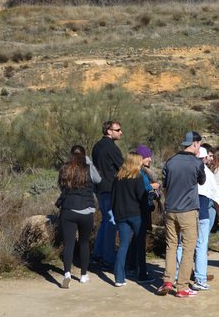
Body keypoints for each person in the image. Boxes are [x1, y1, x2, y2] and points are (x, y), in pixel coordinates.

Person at [158, 131, 206, 298]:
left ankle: (168, 281)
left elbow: (164, 187)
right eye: (199, 144)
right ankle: (182, 286)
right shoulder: (196, 162)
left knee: (171, 245)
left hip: (171, 210)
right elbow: (202, 181)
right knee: (188, 247)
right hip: (188, 211)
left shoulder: (170, 162)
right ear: (195, 143)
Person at [176, 146, 219, 292]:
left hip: (183, 212)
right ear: (203, 158)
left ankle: (178, 275)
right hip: (202, 214)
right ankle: (200, 279)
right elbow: (216, 197)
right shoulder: (207, 173)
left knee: (181, 245)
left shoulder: (183, 170)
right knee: (201, 246)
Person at [111, 151, 159, 287]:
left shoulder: (117, 178)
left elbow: (113, 198)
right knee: (140, 244)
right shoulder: (137, 177)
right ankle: (142, 275)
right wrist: (150, 198)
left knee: (123, 245)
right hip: (137, 215)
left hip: (121, 216)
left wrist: (116, 215)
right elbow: (141, 197)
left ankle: (119, 278)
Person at [56, 145, 101, 288]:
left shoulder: (65, 168)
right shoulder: (88, 168)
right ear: (84, 155)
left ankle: (67, 274)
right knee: (84, 243)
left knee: (68, 244)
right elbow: (98, 179)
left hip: (69, 210)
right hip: (86, 211)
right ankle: (83, 275)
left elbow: (62, 187)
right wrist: (89, 161)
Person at [91, 120, 124, 271]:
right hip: (111, 189)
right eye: (117, 130)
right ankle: (108, 259)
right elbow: (123, 167)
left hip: (99, 188)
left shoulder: (96, 146)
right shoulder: (112, 148)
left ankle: (98, 255)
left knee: (105, 221)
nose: (120, 132)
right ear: (109, 131)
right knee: (111, 222)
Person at [124, 144, 158, 282]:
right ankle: (138, 270)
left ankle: (132, 267)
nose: (149, 159)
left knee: (135, 240)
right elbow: (139, 189)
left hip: (139, 208)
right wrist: (152, 187)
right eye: (147, 156)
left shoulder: (141, 171)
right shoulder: (139, 173)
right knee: (138, 240)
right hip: (139, 209)